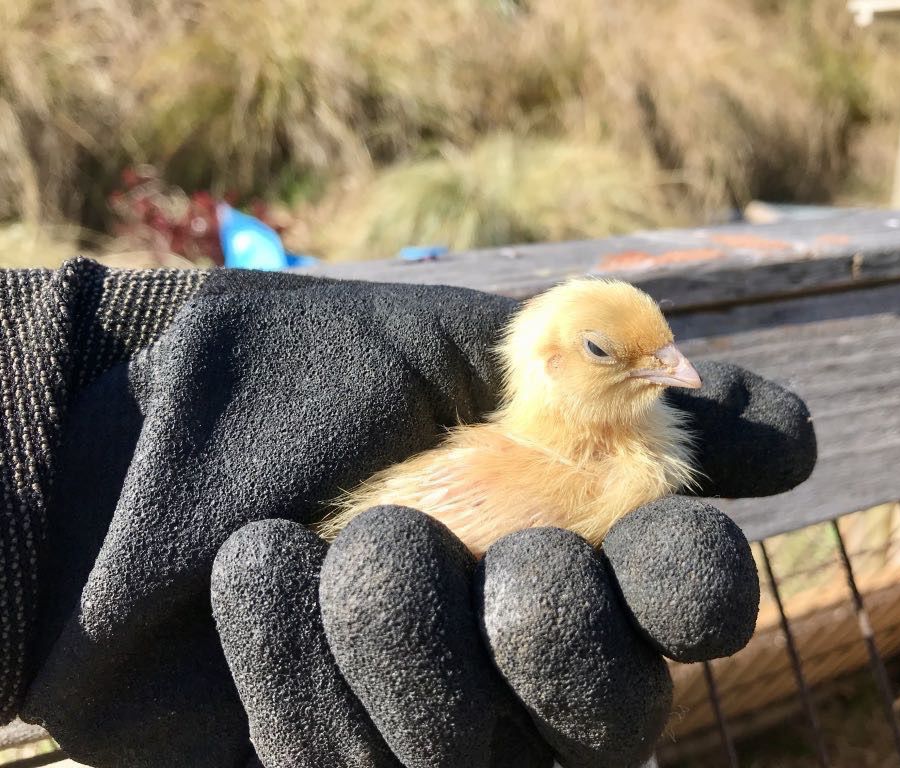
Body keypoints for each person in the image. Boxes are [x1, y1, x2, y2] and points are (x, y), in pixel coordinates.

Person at [0, 258, 816, 768]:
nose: (672, 365)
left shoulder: (620, 451)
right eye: (612, 353)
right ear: (547, 363)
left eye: (662, 346)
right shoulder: (558, 464)